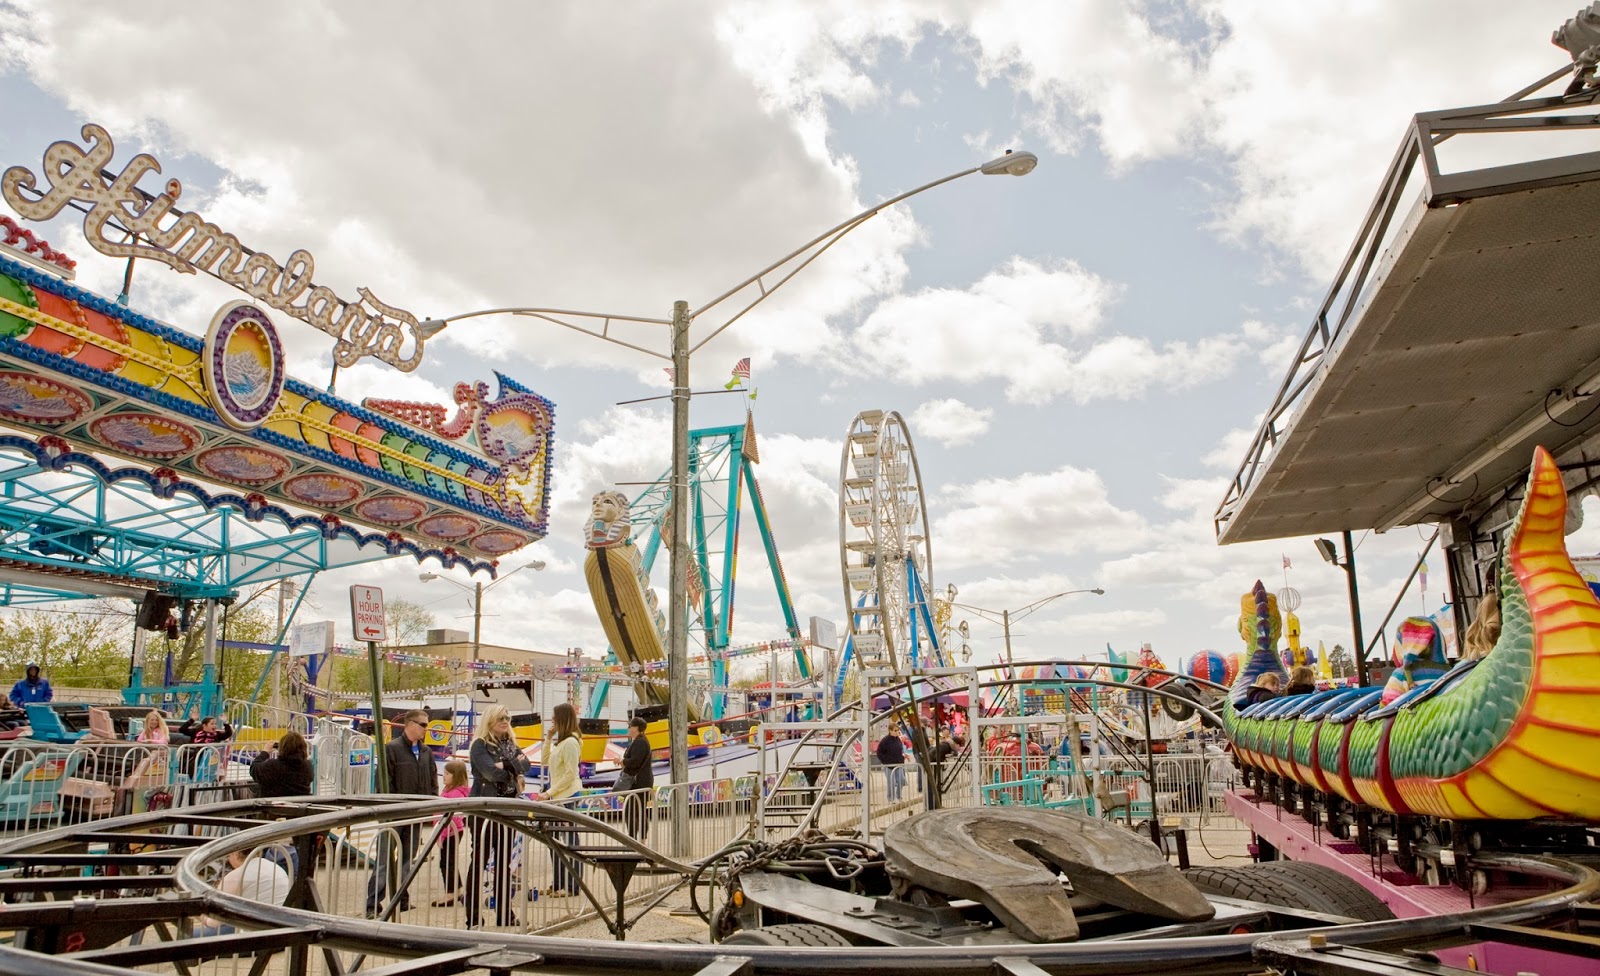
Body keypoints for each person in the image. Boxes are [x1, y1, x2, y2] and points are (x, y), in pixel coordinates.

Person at [367, 709, 438, 918]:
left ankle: (401, 899)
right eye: (423, 725)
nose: (426, 729)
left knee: (407, 860)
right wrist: (391, 807)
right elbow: (384, 781)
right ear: (410, 724)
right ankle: (373, 903)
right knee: (384, 861)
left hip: (417, 813)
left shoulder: (426, 752)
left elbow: (432, 779)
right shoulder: (392, 749)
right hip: (395, 813)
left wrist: (431, 803)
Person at [465, 704, 530, 928]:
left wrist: (506, 765)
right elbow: (490, 773)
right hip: (484, 809)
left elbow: (526, 764)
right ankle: (473, 917)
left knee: (504, 863)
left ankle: (504, 913)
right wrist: (512, 770)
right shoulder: (479, 745)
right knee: (479, 861)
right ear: (490, 720)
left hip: (506, 807)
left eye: (507, 718)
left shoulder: (509, 743)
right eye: (500, 718)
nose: (505, 721)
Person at [193, 847, 291, 938]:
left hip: (251, 934)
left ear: (236, 854)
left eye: (229, 855)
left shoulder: (235, 876)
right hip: (281, 930)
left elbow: (213, 923)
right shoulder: (275, 867)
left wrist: (194, 911)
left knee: (188, 936)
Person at [538, 702, 582, 897]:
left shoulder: (571, 743)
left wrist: (549, 792)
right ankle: (557, 883)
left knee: (570, 842)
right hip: (557, 796)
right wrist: (548, 738)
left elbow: (570, 774)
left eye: (555, 717)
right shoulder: (561, 742)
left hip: (567, 796)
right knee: (554, 841)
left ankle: (572, 885)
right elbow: (544, 760)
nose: (552, 720)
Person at [432, 759, 470, 907]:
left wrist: (440, 835)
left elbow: (451, 817)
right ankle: (456, 889)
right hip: (449, 830)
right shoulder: (449, 790)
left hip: (450, 831)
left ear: (456, 776)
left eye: (447, 773)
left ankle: (450, 892)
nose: (444, 776)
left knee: (447, 862)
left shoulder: (454, 794)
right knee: (449, 861)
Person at [614, 715, 654, 840]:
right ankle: (640, 839)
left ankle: (633, 840)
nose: (629, 728)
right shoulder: (641, 741)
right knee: (639, 811)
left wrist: (622, 761)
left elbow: (635, 761)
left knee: (632, 811)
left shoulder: (640, 742)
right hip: (641, 781)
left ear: (636, 728)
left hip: (638, 782)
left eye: (630, 726)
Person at [250, 730, 313, 798]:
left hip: (273, 804)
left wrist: (265, 752)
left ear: (282, 747)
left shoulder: (273, 766)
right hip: (300, 803)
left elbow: (254, 769)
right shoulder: (308, 766)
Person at [876, 724, 905, 802]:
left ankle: (899, 796)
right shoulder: (885, 740)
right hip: (888, 764)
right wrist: (885, 761)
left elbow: (900, 750)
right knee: (891, 782)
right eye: (895, 730)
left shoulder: (898, 740)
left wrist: (902, 757)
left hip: (898, 763)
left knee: (901, 780)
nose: (897, 732)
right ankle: (891, 798)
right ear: (890, 731)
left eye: (898, 730)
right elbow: (879, 752)